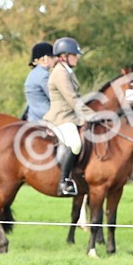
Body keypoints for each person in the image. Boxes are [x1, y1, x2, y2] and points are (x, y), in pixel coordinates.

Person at [44, 37, 86, 197]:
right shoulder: (60, 73)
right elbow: (71, 98)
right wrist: (90, 114)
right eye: (74, 55)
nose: (77, 58)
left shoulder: (67, 71)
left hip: (71, 116)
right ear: (63, 56)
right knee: (75, 144)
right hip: (61, 117)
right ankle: (63, 182)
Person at [23, 42, 55, 123]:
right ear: (44, 58)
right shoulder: (44, 75)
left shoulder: (33, 73)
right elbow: (54, 96)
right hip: (44, 117)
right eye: (52, 57)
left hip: (32, 116)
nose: (54, 59)